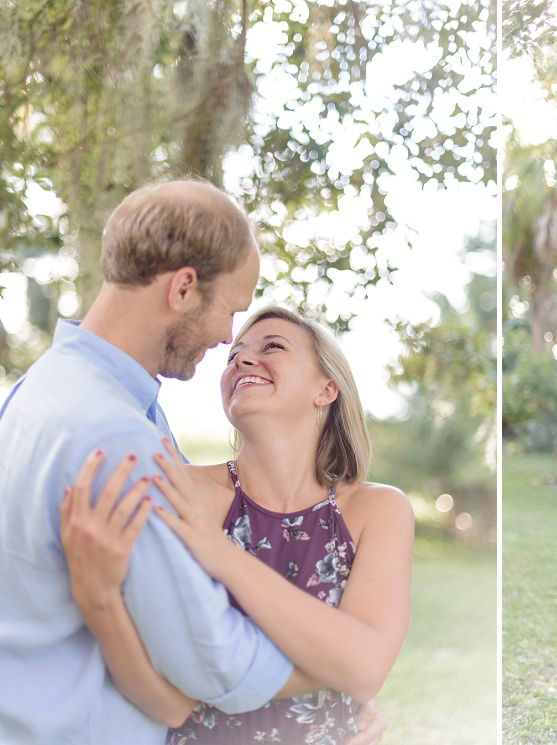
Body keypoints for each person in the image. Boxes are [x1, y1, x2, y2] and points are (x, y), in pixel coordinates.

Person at [0, 180, 386, 744]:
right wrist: (340, 678)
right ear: (183, 289)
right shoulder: (114, 435)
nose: (227, 339)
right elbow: (213, 657)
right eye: (229, 312)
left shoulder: (46, 391)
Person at [61, 305, 414, 744]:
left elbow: (365, 673)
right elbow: (168, 701)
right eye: (235, 355)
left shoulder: (378, 511)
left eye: (273, 347)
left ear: (326, 389)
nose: (242, 360)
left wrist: (221, 555)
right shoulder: (180, 490)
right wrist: (332, 661)